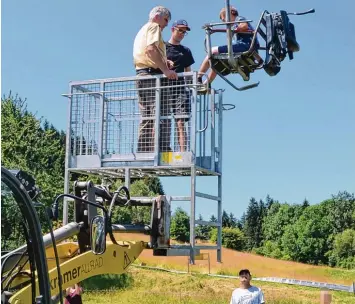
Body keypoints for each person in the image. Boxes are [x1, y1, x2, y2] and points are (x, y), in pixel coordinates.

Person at [133, 6, 178, 153]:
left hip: (141, 75)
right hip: (152, 77)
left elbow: (148, 53)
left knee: (147, 116)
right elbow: (150, 50)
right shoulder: (154, 27)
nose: (166, 24)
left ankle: (144, 151)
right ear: (157, 16)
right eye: (166, 20)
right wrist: (166, 70)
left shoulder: (143, 30)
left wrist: (165, 62)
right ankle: (163, 149)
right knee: (162, 113)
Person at [197, 6, 258, 88]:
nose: (225, 22)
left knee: (211, 51)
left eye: (224, 19)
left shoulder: (238, 19)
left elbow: (244, 26)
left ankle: (198, 77)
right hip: (245, 46)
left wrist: (235, 29)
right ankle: (206, 83)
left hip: (245, 46)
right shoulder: (236, 23)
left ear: (231, 13)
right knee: (215, 61)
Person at [166, 19, 195, 152]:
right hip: (163, 89)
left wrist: (193, 87)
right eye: (180, 30)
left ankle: (183, 152)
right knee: (162, 121)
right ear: (173, 29)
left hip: (180, 90)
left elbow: (188, 72)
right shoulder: (162, 47)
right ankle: (162, 149)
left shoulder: (186, 51)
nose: (182, 34)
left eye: (184, 32)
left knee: (180, 122)